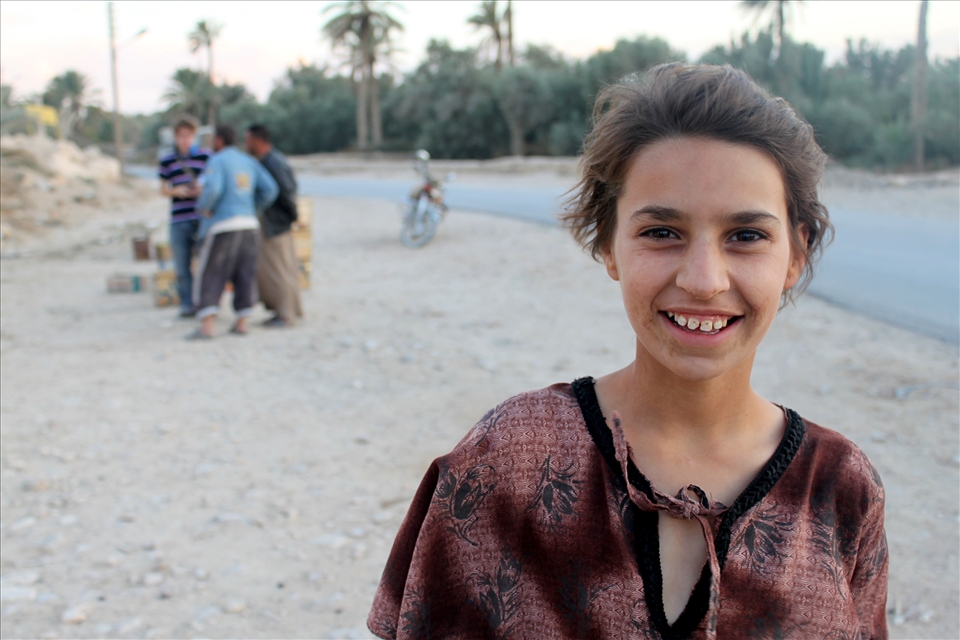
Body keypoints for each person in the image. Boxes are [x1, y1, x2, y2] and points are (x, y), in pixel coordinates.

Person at [368, 64, 887, 639]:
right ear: (608, 244)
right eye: (662, 232)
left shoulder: (840, 488)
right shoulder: (507, 459)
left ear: (795, 255)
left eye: (746, 236)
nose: (704, 281)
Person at [189, 125, 278, 340]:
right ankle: (242, 322)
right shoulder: (248, 161)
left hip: (223, 225)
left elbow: (214, 189)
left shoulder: (217, 161)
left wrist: (204, 207)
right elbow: (270, 189)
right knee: (245, 273)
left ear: (218, 141)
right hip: (249, 225)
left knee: (211, 273)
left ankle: (207, 326)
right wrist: (251, 207)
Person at [244, 124, 303, 327]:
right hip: (278, 223)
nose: (246, 145)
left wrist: (290, 216)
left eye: (248, 140)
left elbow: (286, 192)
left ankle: (285, 315)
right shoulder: (272, 160)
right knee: (284, 269)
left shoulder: (272, 163)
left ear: (258, 140)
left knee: (279, 271)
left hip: (275, 224)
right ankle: (287, 311)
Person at [158, 116, 211, 317]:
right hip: (179, 219)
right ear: (175, 137)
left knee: (205, 264)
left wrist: (202, 189)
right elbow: (163, 189)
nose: (185, 140)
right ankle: (187, 304)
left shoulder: (206, 157)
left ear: (194, 136)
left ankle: (205, 303)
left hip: (201, 218)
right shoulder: (168, 160)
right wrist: (176, 191)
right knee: (182, 266)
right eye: (181, 136)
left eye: (188, 136)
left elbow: (214, 182)